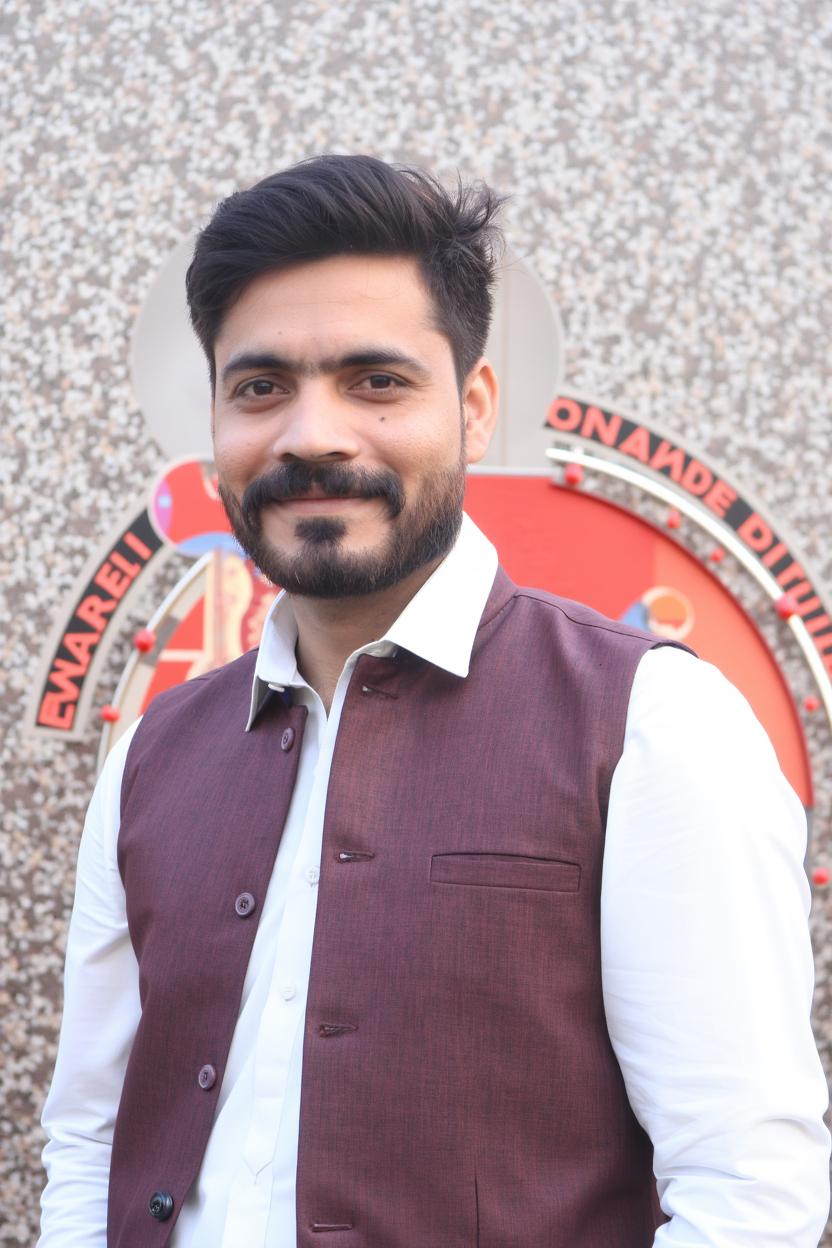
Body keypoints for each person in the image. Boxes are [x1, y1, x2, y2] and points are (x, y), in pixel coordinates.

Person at [39, 155, 830, 1247]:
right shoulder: (149, 755)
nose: (311, 434)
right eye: (260, 387)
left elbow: (747, 1189)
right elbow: (91, 1138)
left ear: (472, 409)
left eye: (376, 381)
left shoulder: (653, 723)